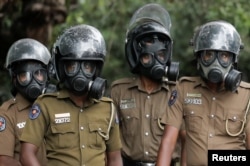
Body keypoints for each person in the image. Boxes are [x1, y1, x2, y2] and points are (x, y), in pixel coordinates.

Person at [20, 24, 123, 166]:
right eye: (72, 67)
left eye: (87, 67)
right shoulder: (45, 105)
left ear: (96, 70)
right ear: (61, 68)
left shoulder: (108, 108)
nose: (80, 74)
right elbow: (26, 154)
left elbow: (115, 159)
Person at [156, 20, 250, 166]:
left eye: (224, 56)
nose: (216, 63)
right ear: (199, 57)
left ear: (233, 60)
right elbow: (168, 143)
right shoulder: (184, 89)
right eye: (209, 55)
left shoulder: (247, 96)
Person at [110, 3, 186, 166]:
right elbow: (110, 142)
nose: (156, 62)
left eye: (160, 55)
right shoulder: (119, 91)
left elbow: (186, 139)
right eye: (148, 57)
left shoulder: (177, 91)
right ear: (136, 55)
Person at [0, 38, 53, 166]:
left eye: (39, 74)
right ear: (14, 79)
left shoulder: (55, 105)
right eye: (24, 75)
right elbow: (3, 160)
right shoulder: (7, 113)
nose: (33, 80)